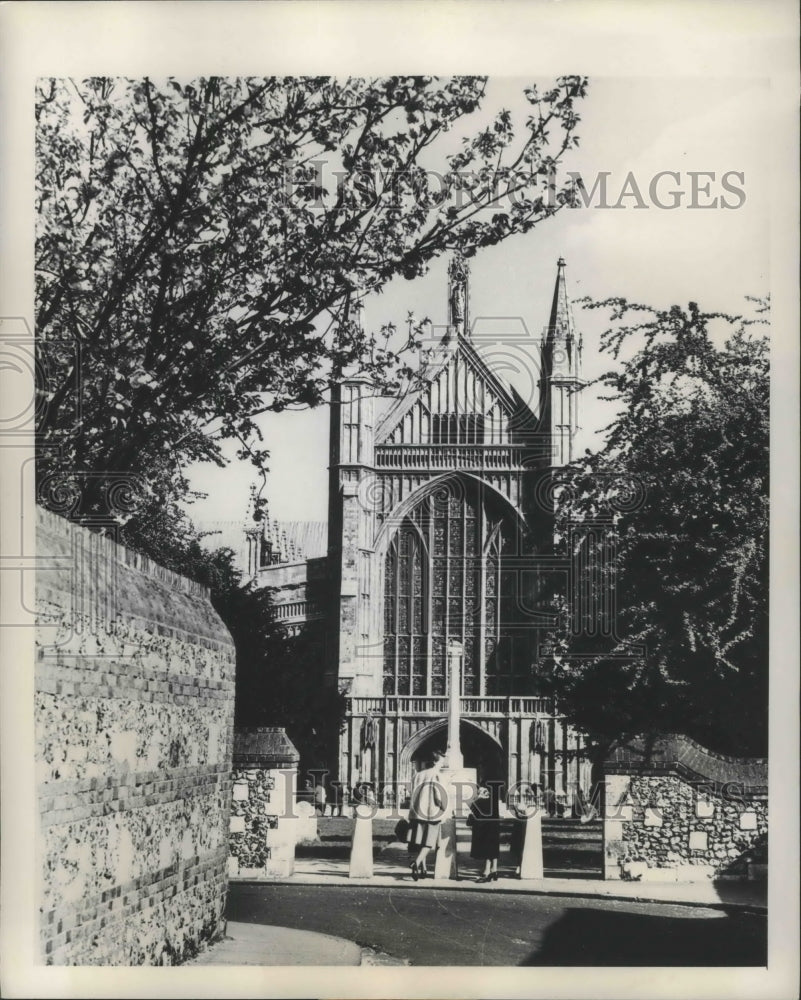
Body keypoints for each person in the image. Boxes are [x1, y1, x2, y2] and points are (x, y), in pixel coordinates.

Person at [408, 750, 447, 880]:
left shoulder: (417, 775)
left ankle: (423, 869)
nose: (443, 764)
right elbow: (438, 795)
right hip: (432, 813)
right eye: (442, 761)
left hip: (417, 812)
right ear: (436, 761)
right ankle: (416, 863)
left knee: (420, 841)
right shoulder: (436, 775)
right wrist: (443, 807)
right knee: (429, 842)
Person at [467, 784, 502, 882]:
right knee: (494, 847)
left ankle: (487, 871)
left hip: (484, 827)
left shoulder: (478, 802)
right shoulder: (493, 802)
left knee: (487, 848)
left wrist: (478, 797)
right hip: (494, 825)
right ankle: (494, 870)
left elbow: (472, 808)